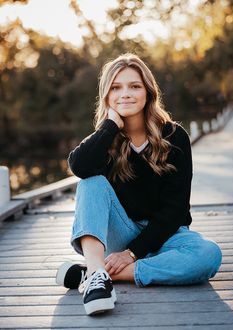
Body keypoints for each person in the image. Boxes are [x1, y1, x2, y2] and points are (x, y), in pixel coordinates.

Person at [56, 53, 222, 315]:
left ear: (148, 92)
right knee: (90, 183)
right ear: (107, 96)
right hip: (120, 232)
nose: (126, 94)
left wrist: (133, 253)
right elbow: (79, 167)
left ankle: (96, 273)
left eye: (134, 86)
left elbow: (176, 210)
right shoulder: (105, 139)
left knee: (209, 254)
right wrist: (110, 126)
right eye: (116, 87)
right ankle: (100, 274)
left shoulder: (174, 136)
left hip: (165, 234)